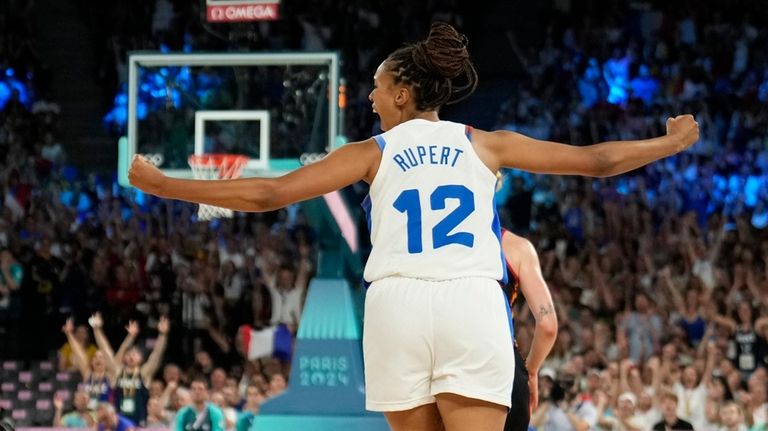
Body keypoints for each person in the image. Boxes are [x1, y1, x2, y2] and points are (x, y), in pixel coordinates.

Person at [129, 22, 699, 431]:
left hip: (396, 305)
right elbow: (596, 161)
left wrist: (168, 186)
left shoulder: (371, 151)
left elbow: (268, 193)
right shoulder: (485, 143)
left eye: (378, 87)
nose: (372, 97)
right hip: (471, 303)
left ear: (402, 94)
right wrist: (669, 143)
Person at [499, 228, 558, 431]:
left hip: (445, 358)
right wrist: (531, 371)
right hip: (504, 365)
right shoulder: (517, 247)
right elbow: (548, 325)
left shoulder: (430, 244)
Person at [91, 313, 170, 426]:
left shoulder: (144, 374)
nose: (131, 356)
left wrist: (162, 335)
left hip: (139, 422)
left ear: (141, 358)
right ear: (124, 358)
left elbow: (156, 354)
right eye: (129, 354)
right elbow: (105, 350)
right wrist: (97, 329)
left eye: (135, 354)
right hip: (119, 423)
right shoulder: (118, 372)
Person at [61, 318, 114, 410]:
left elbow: (106, 349)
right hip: (88, 413)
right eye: (95, 357)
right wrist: (69, 334)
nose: (98, 359)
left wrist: (96, 329)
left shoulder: (111, 376)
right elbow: (79, 354)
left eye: (101, 357)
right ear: (91, 362)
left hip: (105, 414)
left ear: (107, 362)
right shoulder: (88, 374)